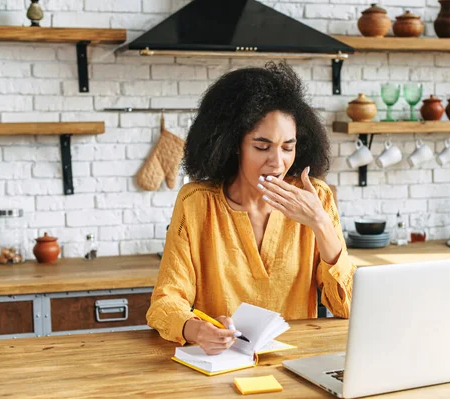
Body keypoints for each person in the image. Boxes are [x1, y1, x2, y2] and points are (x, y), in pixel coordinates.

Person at [146, 62, 356, 355]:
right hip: (221, 365)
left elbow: (347, 307)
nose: (277, 162)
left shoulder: (315, 197)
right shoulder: (196, 203)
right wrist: (196, 329)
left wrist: (320, 223)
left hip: (296, 364)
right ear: (234, 145)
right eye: (262, 146)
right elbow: (165, 302)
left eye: (287, 147)